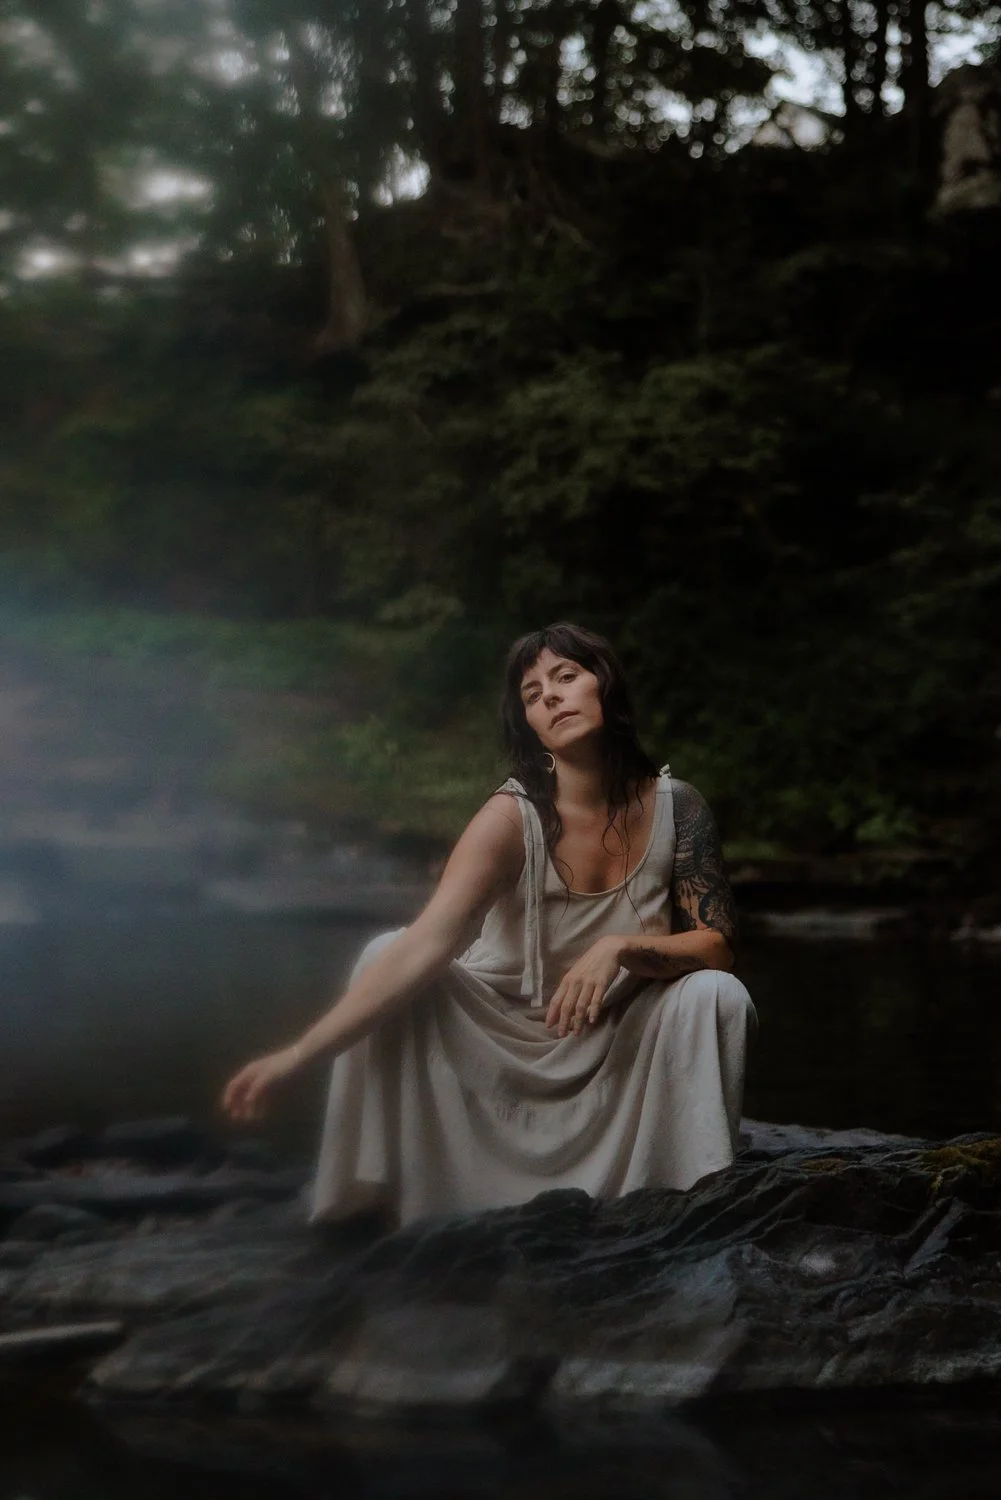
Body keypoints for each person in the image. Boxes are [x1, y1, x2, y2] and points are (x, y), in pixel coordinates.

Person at [222, 622, 755, 1226]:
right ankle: (388, 1195)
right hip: (497, 1042)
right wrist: (297, 1056)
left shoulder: (678, 806)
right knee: (384, 950)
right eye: (532, 694)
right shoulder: (510, 818)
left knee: (717, 995)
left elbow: (718, 946)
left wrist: (621, 948)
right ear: (528, 724)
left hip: (614, 1043)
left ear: (604, 686)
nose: (550, 697)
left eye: (565, 677)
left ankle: (691, 1197)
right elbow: (427, 945)